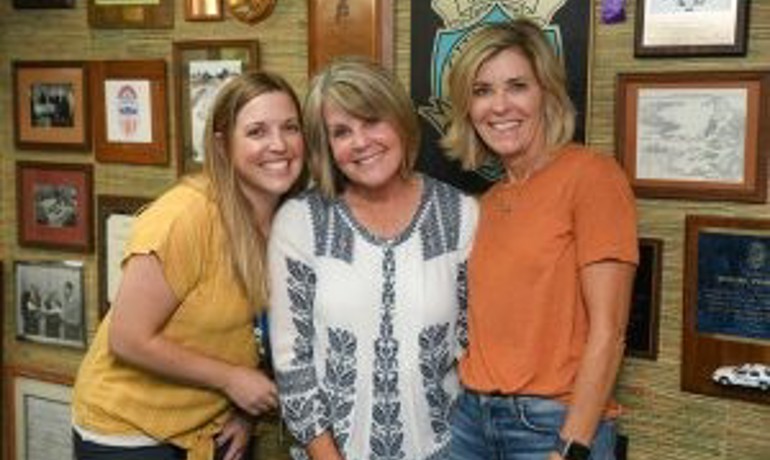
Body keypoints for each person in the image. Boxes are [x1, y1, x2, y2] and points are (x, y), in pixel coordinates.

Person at [71, 71, 307, 460]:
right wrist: (232, 380)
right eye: (257, 132)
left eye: (290, 128)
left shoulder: (292, 219)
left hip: (207, 429)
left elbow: (262, 332)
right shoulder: (185, 216)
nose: (278, 144)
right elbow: (127, 338)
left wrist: (243, 410)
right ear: (222, 144)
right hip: (129, 435)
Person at [441, 19, 638, 460]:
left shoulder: (592, 176)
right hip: (471, 419)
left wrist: (572, 445)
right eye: (482, 91)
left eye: (517, 86)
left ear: (545, 93)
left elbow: (610, 331)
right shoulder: (486, 203)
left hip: (550, 426)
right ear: (467, 109)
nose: (500, 105)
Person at [268, 58, 478, 460]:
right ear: (327, 146)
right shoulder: (301, 222)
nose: (360, 142)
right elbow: (293, 363)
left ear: (399, 119)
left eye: (371, 121)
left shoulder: (461, 215)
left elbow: (475, 348)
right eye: (342, 132)